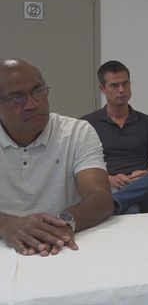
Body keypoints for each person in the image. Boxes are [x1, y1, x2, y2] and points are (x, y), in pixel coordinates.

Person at [0, 58, 112, 256]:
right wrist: (7, 225)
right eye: (16, 97)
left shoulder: (77, 132)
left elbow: (100, 198)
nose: (32, 104)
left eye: (38, 90)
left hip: (63, 247)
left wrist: (63, 222)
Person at [81, 61, 148, 214]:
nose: (121, 90)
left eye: (125, 84)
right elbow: (78, 166)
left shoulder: (147, 122)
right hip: (109, 186)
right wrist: (108, 179)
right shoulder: (87, 124)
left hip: (144, 185)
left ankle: (118, 202)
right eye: (114, 85)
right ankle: (120, 201)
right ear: (102, 89)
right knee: (131, 209)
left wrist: (146, 173)